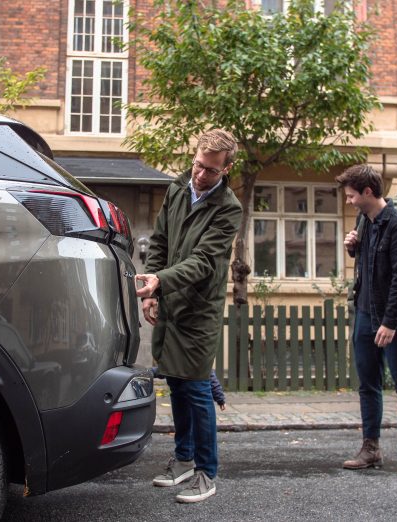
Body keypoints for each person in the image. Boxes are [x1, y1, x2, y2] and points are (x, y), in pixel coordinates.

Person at [136, 128, 242, 504]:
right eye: (197, 165)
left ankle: (206, 472)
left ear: (226, 168)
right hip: (169, 299)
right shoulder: (178, 188)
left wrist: (158, 283)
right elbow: (160, 241)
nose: (200, 175)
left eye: (210, 171)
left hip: (199, 309)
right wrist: (154, 291)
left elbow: (202, 263)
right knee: (176, 383)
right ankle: (183, 459)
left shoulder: (229, 208)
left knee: (197, 387)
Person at [336, 164, 397, 476]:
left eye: (351, 196)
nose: (348, 201)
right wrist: (353, 249)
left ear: (368, 192)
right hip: (364, 312)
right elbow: (370, 266)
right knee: (368, 384)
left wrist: (389, 323)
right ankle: (370, 448)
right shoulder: (366, 221)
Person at [152, 366, 227, 410]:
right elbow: (163, 370)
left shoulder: (201, 362)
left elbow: (212, 379)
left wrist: (220, 399)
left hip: (190, 399)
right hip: (187, 398)